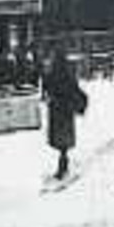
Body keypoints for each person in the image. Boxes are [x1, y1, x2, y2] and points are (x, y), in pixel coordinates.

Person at [42, 51, 88, 181]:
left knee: (60, 140)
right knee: (64, 141)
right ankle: (63, 164)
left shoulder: (51, 74)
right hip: (65, 111)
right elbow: (74, 90)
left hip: (57, 111)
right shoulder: (67, 75)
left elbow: (46, 89)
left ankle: (62, 166)